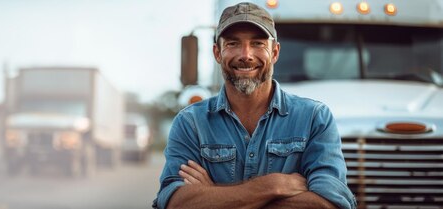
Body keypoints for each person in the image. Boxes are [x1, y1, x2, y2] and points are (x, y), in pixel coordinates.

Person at [153, 2, 356, 209]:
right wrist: (271, 186)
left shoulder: (315, 118)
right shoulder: (191, 123)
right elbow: (175, 203)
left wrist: (215, 195)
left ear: (275, 52)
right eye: (232, 43)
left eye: (258, 43)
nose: (246, 55)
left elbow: (330, 204)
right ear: (217, 53)